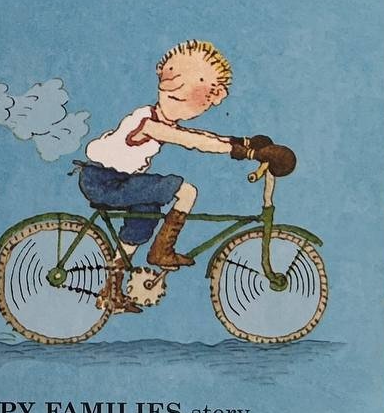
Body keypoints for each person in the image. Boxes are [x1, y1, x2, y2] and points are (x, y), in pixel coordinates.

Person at [79, 40, 294, 309]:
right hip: (104, 181)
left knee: (143, 219)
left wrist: (244, 142)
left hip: (118, 181)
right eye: (173, 97)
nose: (178, 106)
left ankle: (111, 289)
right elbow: (191, 140)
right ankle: (161, 251)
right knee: (185, 191)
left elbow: (197, 135)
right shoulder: (149, 122)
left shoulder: (161, 120)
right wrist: (245, 152)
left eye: (187, 102)